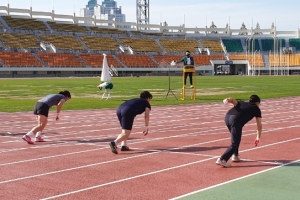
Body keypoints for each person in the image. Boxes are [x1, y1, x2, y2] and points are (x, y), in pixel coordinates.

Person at [216, 94, 262, 168]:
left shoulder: (242, 102)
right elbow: (259, 125)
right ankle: (222, 159)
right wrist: (258, 137)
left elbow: (233, 100)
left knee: (235, 139)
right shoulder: (256, 108)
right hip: (235, 120)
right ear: (257, 102)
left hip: (227, 117)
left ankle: (235, 156)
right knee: (235, 143)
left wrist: (227, 99)